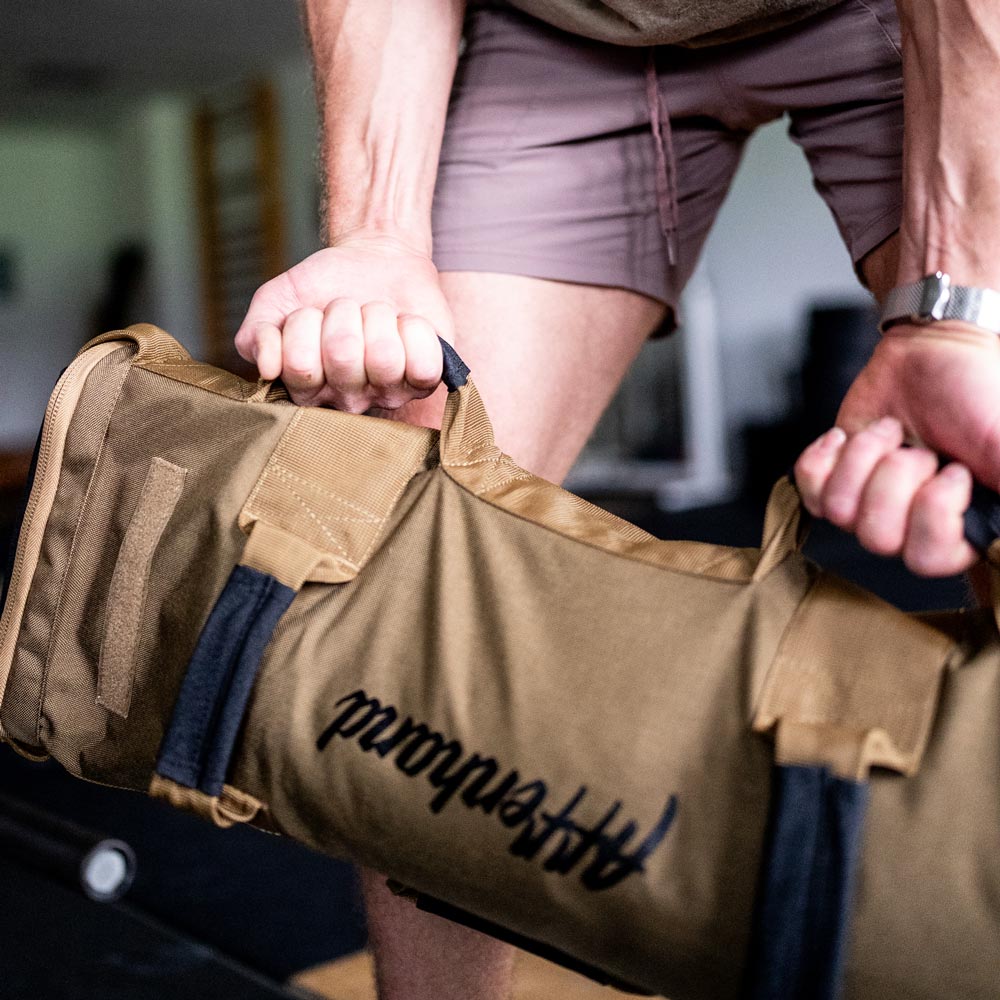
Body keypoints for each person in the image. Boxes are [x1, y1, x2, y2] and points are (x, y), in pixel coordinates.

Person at [235, 1, 1000, 996]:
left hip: (890, 19)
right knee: (411, 561)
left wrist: (959, 297)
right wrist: (379, 236)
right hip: (559, 38)